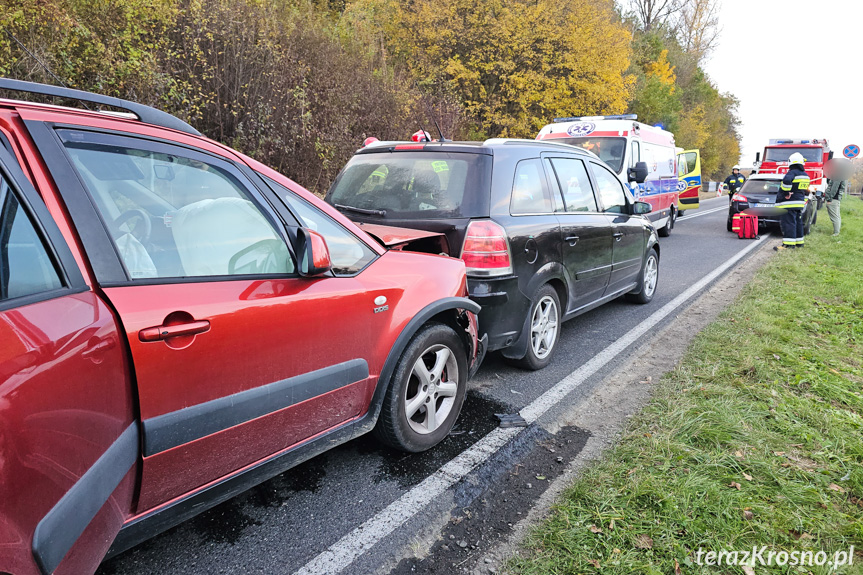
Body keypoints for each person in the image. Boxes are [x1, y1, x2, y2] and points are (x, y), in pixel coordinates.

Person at [775, 152, 809, 250]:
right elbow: (805, 190)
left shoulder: (792, 173)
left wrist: (786, 193)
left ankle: (788, 245)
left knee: (788, 223)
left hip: (789, 204)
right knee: (797, 223)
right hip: (799, 203)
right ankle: (799, 243)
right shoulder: (805, 175)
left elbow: (786, 181)